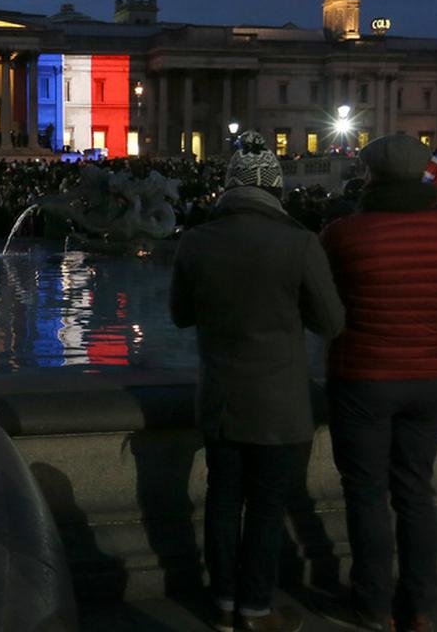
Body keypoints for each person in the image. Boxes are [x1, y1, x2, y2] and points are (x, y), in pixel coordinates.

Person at [170, 131, 344, 632]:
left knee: (223, 502)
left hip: (220, 398)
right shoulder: (299, 243)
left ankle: (224, 603)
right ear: (276, 189)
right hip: (281, 402)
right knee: (267, 508)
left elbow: (180, 315)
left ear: (228, 188)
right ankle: (256, 608)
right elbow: (330, 323)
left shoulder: (196, 241)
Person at [319, 135, 437, 632]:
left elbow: (325, 306)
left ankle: (373, 606)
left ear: (371, 175)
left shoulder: (345, 233)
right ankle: (419, 608)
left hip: (363, 376)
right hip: (430, 377)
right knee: (416, 492)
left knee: (366, 493)